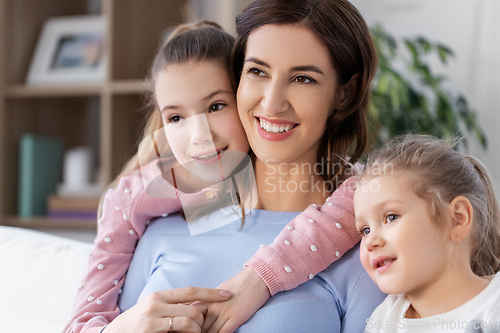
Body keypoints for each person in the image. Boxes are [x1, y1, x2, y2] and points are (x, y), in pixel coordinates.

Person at [65, 15, 375, 333]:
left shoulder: (361, 244)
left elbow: (370, 192)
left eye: (215, 106)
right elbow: (85, 318)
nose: (199, 135)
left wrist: (262, 277)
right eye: (175, 117)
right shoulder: (150, 217)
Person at [354, 135, 500, 332]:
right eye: (365, 230)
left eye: (391, 217)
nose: (370, 241)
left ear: (457, 219)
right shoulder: (384, 319)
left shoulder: (493, 308)